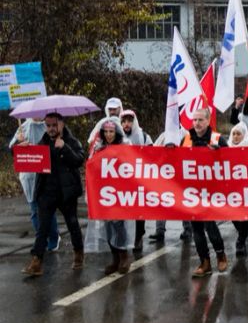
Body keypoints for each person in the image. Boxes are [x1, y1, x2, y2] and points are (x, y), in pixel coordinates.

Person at [22, 113, 86, 277]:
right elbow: (26, 159)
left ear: (62, 124)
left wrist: (64, 147)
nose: (51, 129)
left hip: (67, 193)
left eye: (54, 125)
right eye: (48, 125)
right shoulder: (42, 142)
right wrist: (22, 148)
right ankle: (37, 261)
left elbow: (79, 160)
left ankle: (78, 253)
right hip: (47, 192)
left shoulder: (71, 141)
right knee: (42, 228)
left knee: (72, 225)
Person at [180, 108, 229, 277]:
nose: (197, 123)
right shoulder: (186, 139)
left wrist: (219, 154)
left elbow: (234, 162)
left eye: (200, 120)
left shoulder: (217, 139)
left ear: (208, 121)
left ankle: (220, 254)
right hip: (192, 190)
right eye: (194, 120)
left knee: (209, 223)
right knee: (196, 227)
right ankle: (204, 262)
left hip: (211, 189)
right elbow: (175, 162)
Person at [87, 118, 134, 275]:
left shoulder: (124, 146)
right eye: (105, 132)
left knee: (119, 225)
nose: (108, 135)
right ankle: (114, 258)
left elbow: (132, 166)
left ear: (117, 132)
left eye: (111, 132)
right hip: (104, 192)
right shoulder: (99, 147)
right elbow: (91, 166)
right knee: (107, 226)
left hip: (119, 192)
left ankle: (124, 256)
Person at [10, 119, 58, 253]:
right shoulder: (23, 127)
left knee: (48, 210)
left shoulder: (49, 125)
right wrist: (19, 143)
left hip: (45, 175)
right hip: (29, 176)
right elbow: (12, 150)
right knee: (34, 211)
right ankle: (42, 240)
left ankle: (54, 239)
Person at [122, 110, 165, 251]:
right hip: (123, 179)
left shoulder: (144, 137)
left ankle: (138, 237)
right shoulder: (117, 137)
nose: (126, 124)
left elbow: (153, 156)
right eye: (124, 121)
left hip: (139, 179)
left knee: (138, 210)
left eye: (129, 121)